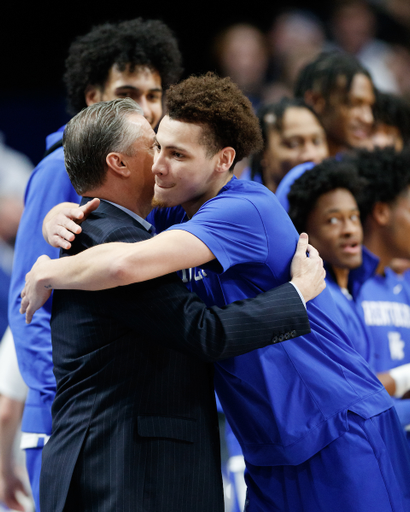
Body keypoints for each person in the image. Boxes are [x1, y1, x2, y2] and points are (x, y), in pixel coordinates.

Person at [23, 73, 410, 512]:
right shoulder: (173, 210)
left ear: (223, 159)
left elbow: (121, 263)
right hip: (268, 446)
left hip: (337, 424)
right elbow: (116, 225)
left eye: (177, 154)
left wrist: (48, 271)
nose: (160, 165)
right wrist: (55, 216)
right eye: (159, 147)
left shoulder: (245, 208)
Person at [40, 98, 321, 512]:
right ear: (118, 163)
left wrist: (50, 240)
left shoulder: (113, 228)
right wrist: (297, 294)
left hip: (111, 462)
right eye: (154, 146)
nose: (161, 161)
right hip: (131, 472)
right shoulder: (115, 239)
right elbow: (205, 333)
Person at [7, 17, 183, 512]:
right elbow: (28, 304)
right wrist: (62, 398)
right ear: (92, 98)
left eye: (155, 94)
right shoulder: (58, 168)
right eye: (129, 92)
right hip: (73, 416)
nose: (146, 107)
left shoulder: (156, 172)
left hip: (125, 414)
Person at [287, 157, 410, 432]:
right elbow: (351, 401)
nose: (349, 229)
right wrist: (403, 379)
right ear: (306, 234)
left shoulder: (350, 291)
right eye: (333, 220)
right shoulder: (319, 298)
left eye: (354, 217)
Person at [276, 50, 376, 211]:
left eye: (369, 106)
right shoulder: (289, 173)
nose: (368, 118)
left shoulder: (350, 169)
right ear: (315, 101)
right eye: (353, 104)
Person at [242, 97, 328, 191]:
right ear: (262, 153)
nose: (311, 155)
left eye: (317, 142)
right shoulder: (243, 201)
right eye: (293, 144)